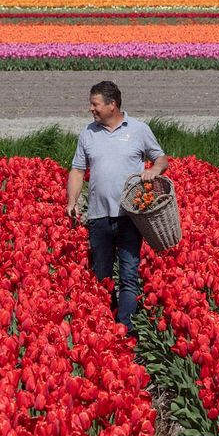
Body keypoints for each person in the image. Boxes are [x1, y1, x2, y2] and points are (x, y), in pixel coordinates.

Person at [66, 81, 169, 335]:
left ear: (112, 105)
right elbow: (77, 170)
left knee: (128, 275)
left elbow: (160, 158)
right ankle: (106, 329)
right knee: (102, 277)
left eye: (95, 104)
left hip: (130, 216)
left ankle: (126, 331)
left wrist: (154, 170)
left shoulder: (138, 130)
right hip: (98, 215)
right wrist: (71, 201)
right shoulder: (88, 133)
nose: (91, 109)